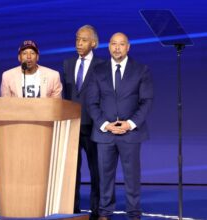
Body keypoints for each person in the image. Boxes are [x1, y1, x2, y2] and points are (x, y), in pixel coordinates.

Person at [86, 32, 154, 220]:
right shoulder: (98, 71)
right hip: (105, 133)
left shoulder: (141, 70)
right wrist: (105, 125)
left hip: (130, 133)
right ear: (109, 47)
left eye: (121, 44)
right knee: (104, 177)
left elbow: (146, 101)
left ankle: (133, 213)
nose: (117, 48)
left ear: (128, 47)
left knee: (132, 177)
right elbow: (92, 102)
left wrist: (130, 124)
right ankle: (105, 212)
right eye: (114, 44)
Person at [62, 25, 103, 220]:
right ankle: (73, 210)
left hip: (93, 126)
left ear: (93, 43)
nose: (79, 43)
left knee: (96, 171)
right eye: (77, 39)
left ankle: (97, 210)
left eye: (84, 40)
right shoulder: (68, 64)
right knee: (72, 171)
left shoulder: (102, 66)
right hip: (72, 126)